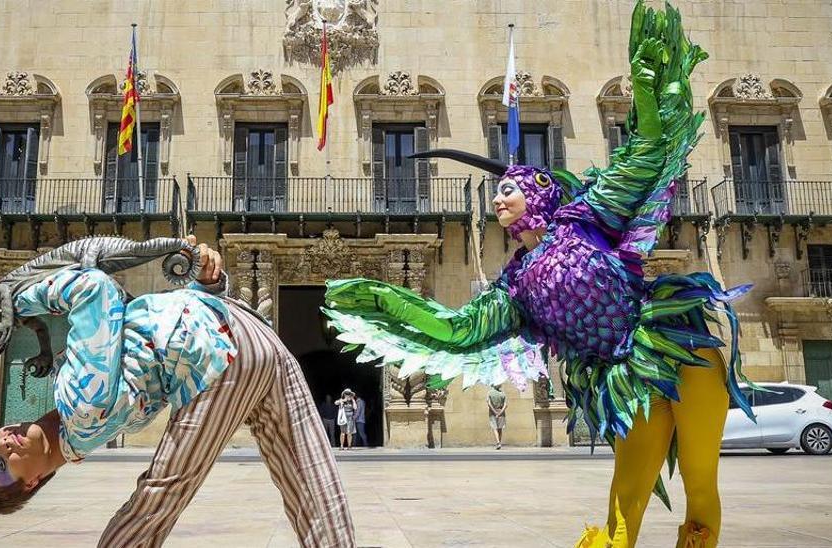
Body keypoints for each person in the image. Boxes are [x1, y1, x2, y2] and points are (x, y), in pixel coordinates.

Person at [321, 4, 749, 546]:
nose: (498, 197)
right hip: (626, 377)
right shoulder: (516, 286)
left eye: (508, 188)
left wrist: (644, 91)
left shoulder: (588, 217)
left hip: (681, 350)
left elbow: (646, 151)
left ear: (539, 195)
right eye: (498, 191)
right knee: (627, 497)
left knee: (698, 481)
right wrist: (387, 302)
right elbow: (457, 331)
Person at [0, 236, 355, 548]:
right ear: (31, 482)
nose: (2, 445)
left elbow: (113, 307)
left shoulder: (73, 408)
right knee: (313, 487)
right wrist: (17, 302)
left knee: (156, 501)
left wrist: (206, 284)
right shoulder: (79, 410)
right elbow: (93, 288)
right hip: (243, 343)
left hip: (223, 349)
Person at [487, 385, 507, 450]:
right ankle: (499, 442)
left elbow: (489, 404)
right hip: (501, 411)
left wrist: (495, 412)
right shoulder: (503, 393)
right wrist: (500, 412)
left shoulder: (489, 393)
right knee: (500, 428)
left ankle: (498, 442)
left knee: (494, 428)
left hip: (493, 412)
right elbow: (505, 405)